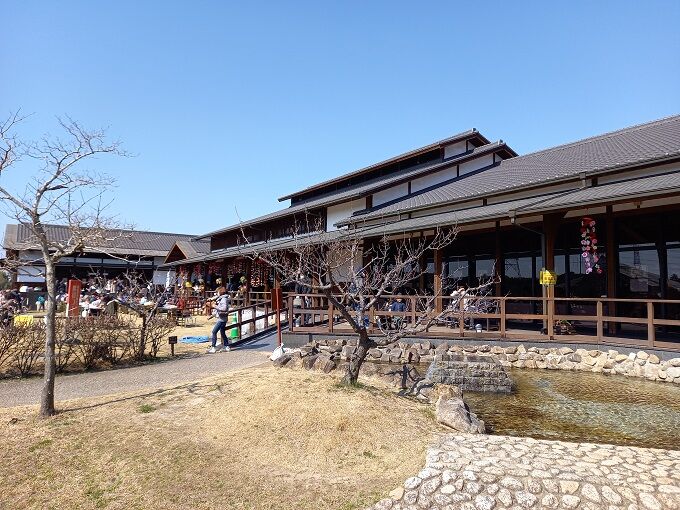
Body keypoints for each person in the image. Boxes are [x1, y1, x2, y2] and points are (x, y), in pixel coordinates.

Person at [207, 286, 231, 354]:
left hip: (221, 319)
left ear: (220, 292)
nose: (216, 293)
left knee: (214, 332)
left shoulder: (223, 299)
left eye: (217, 292)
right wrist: (211, 316)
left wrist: (214, 306)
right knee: (222, 333)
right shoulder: (222, 299)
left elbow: (223, 308)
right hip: (223, 318)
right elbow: (219, 309)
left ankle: (213, 347)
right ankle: (227, 346)